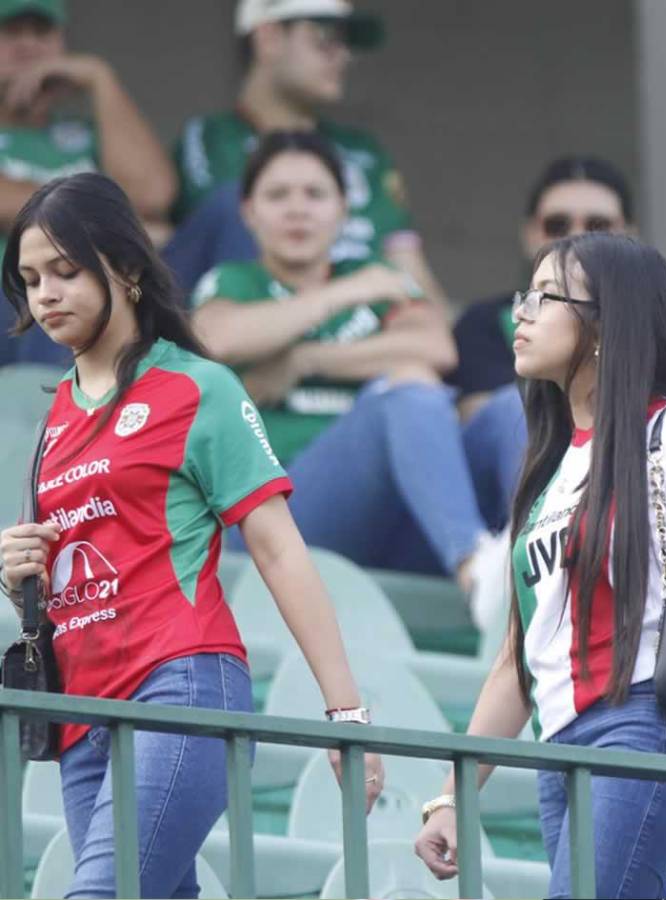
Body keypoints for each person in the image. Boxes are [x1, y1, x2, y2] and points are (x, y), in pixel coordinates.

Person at [0, 172, 383, 898]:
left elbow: (278, 549)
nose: (45, 293)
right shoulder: (57, 418)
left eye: (65, 271)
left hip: (177, 684)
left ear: (129, 269)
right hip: (82, 713)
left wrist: (346, 713)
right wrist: (19, 563)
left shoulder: (197, 387)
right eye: (29, 279)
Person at [413, 233, 666, 899]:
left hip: (642, 721)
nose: (521, 312)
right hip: (561, 745)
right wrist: (454, 794)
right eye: (527, 294)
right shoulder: (547, 466)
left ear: (605, 324)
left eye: (546, 297)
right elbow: (518, 658)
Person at [191, 130, 494, 587]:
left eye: (315, 194)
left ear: (343, 210)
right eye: (277, 195)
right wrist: (344, 293)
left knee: (508, 410)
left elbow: (436, 346)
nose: (298, 209)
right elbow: (217, 337)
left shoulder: (374, 279)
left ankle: (564, 577)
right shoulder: (234, 282)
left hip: (396, 519)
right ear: (248, 213)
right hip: (283, 516)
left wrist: (307, 360)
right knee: (406, 387)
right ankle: (475, 572)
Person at [165, 0, 445, 303]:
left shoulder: (365, 151)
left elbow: (409, 266)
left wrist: (443, 337)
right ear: (268, 38)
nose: (343, 54)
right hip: (253, 325)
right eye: (325, 37)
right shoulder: (213, 138)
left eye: (345, 42)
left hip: (369, 327)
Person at [449, 155, 636, 528]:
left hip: (622, 501)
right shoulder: (485, 320)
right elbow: (489, 423)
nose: (576, 237)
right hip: (505, 509)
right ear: (530, 234)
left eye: (598, 225)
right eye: (557, 224)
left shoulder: (647, 325)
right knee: (511, 410)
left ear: (629, 234)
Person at [0, 0, 175, 367]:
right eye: (10, 32)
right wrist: (123, 228)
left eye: (42, 32)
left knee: (221, 213)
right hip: (14, 295)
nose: (28, 45)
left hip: (105, 294)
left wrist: (100, 79)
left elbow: (154, 194)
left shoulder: (85, 133)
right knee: (59, 277)